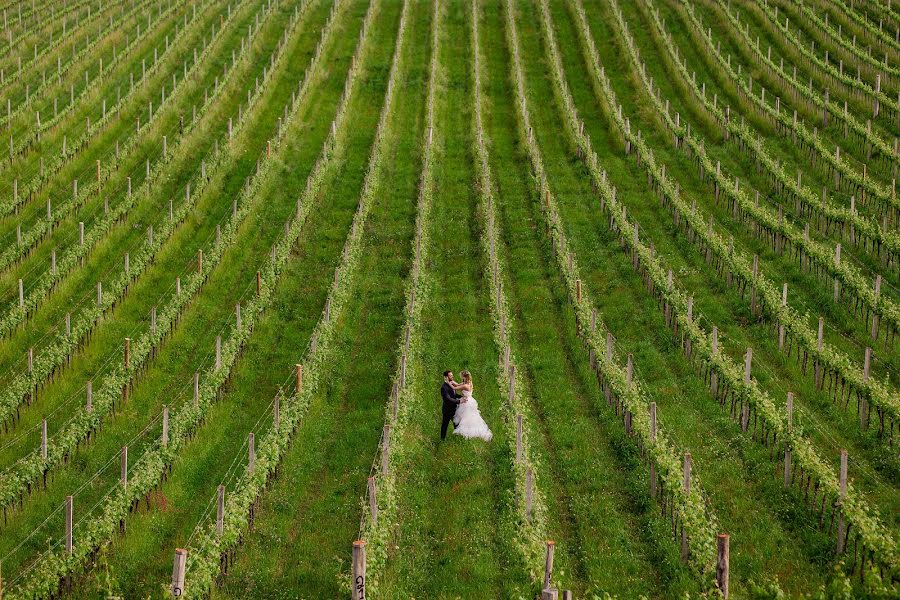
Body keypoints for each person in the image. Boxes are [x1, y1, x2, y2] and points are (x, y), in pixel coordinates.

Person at [447, 371, 492, 441]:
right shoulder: (469, 382)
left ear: (465, 377)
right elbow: (458, 384)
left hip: (466, 402)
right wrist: (452, 381)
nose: (461, 377)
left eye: (462, 376)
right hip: (469, 400)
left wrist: (448, 382)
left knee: (466, 417)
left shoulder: (465, 385)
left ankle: (466, 432)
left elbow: (455, 388)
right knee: (469, 416)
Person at [440, 370, 463, 440]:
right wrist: (459, 401)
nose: (452, 376)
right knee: (445, 425)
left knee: (457, 424)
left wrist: (461, 397)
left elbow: (454, 395)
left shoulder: (452, 384)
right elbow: (448, 399)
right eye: (450, 376)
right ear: (446, 377)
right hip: (447, 410)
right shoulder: (444, 387)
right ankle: (442, 439)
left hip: (454, 409)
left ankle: (458, 439)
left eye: (452, 375)